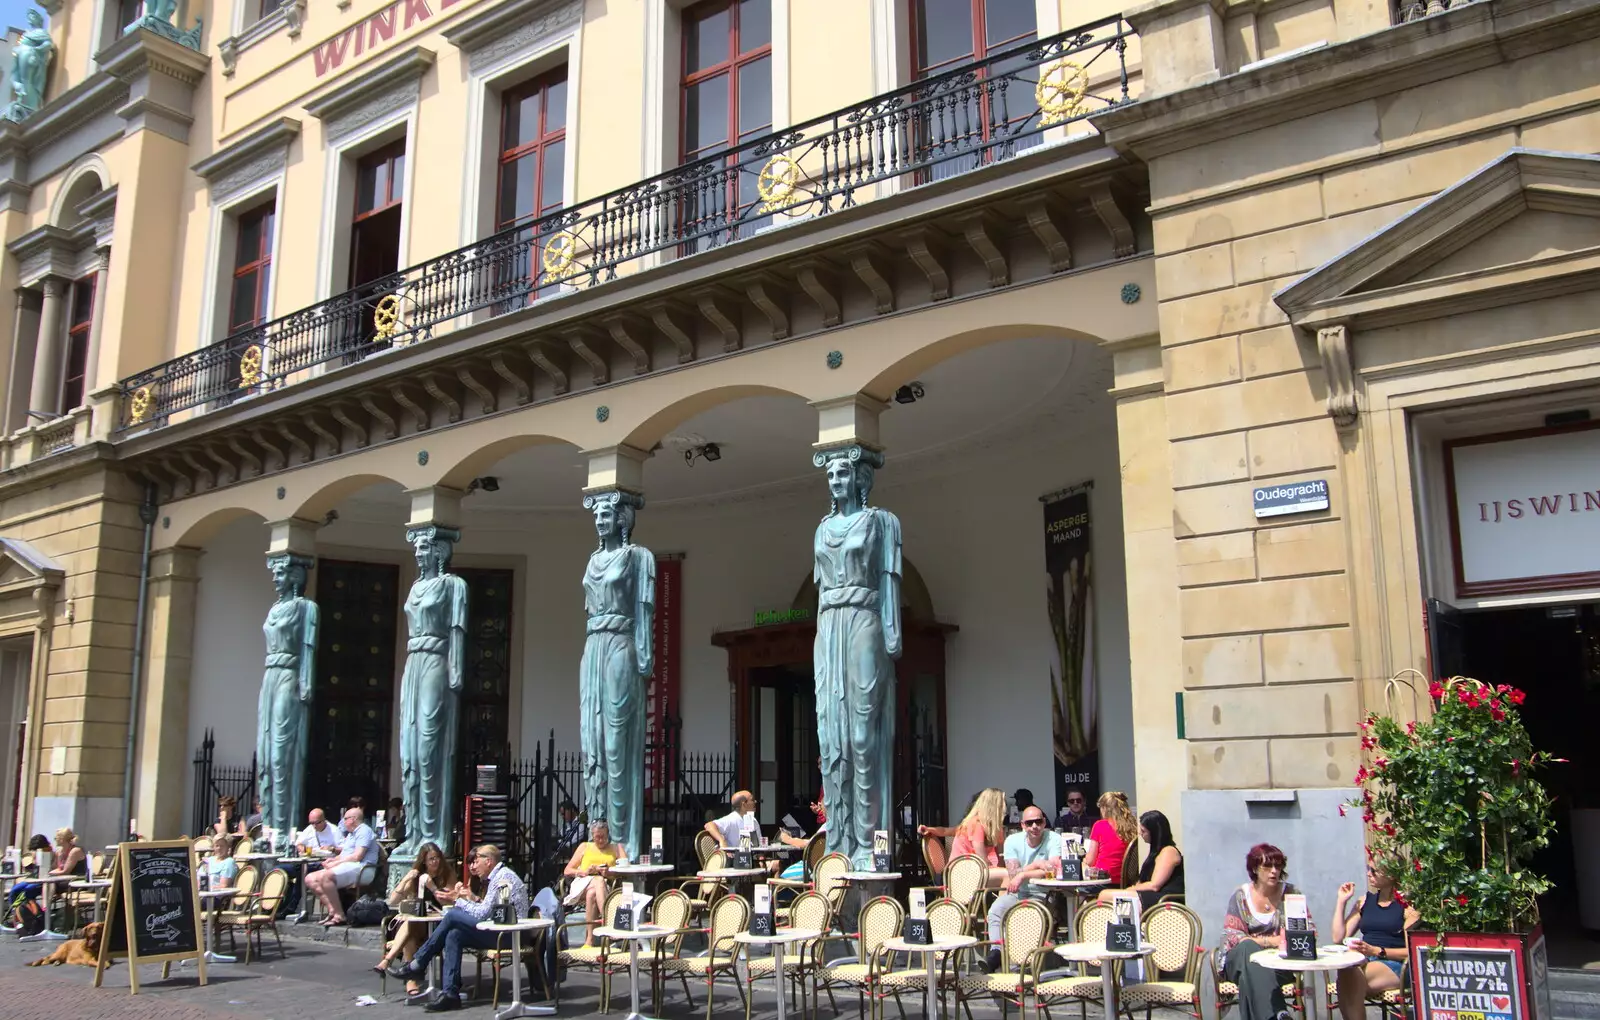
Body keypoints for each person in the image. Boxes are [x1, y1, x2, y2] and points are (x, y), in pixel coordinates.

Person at [394, 844, 529, 1013]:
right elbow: (488, 910)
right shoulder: (497, 876)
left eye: (476, 861)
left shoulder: (502, 877)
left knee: (452, 915)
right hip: (499, 929)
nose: (473, 866)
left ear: (488, 861)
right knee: (454, 934)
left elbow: (482, 914)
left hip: (509, 934)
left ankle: (419, 963)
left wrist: (457, 900)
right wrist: (467, 899)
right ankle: (450, 994)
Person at [1220, 843, 1299, 1020]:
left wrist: (1259, 940)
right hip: (1239, 961)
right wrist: (1272, 941)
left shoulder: (1291, 895)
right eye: (1267, 866)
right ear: (1255, 868)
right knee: (1248, 949)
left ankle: (1276, 1016)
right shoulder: (1241, 896)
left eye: (1278, 866)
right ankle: (1278, 1013)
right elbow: (1234, 937)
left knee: (1250, 980)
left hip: (1278, 965)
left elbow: (1304, 934)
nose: (1274, 871)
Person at [982, 804, 1062, 972]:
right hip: (1019, 893)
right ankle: (996, 952)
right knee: (996, 910)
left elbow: (1053, 870)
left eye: (1038, 822)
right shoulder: (1012, 841)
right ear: (1023, 825)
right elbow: (1012, 874)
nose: (1035, 826)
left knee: (1025, 914)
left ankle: (1025, 962)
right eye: (1030, 823)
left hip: (1044, 894)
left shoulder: (1053, 838)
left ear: (1044, 822)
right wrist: (1036, 865)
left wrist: (1023, 874)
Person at [1332, 864, 1417, 1020]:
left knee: (1349, 978)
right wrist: (1341, 902)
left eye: (1374, 870)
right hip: (1364, 959)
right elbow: (1338, 938)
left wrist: (1376, 951)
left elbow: (1412, 951)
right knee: (1346, 972)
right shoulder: (1364, 901)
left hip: (1394, 962)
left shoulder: (1407, 907)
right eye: (1367, 868)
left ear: (1391, 875)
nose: (1368, 874)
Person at [375, 841, 459, 996]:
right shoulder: (417, 877)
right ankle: (410, 979)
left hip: (440, 925)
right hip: (419, 925)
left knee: (409, 926)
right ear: (424, 862)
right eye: (431, 859)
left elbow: (451, 901)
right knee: (410, 929)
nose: (435, 862)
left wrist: (432, 887)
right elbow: (393, 901)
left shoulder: (447, 874)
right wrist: (406, 879)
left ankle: (389, 960)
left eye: (437, 857)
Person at [302, 806, 380, 925]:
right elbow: (344, 854)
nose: (343, 822)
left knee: (326, 877)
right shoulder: (351, 834)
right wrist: (331, 860)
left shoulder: (364, 831)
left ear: (353, 819)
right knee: (309, 879)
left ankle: (339, 915)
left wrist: (336, 863)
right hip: (350, 866)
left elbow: (357, 856)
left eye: (345, 819)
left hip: (363, 868)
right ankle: (333, 910)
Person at [918, 787, 1009, 888]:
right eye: (1003, 803)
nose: (1005, 807)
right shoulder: (976, 824)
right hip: (960, 873)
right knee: (1007, 876)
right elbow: (983, 860)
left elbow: (1001, 856)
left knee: (1010, 874)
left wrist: (1003, 865)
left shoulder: (995, 827)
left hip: (975, 870)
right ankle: (1001, 904)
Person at [1098, 810, 1184, 909]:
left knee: (1105, 895)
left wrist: (1131, 889)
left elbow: (1154, 885)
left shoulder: (1168, 852)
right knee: (1106, 895)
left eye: (1143, 831)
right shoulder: (1155, 853)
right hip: (1152, 896)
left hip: (1164, 899)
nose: (1140, 833)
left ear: (1155, 833)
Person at [563, 821, 625, 947]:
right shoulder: (585, 846)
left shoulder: (615, 848)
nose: (601, 840)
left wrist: (609, 872)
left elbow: (625, 869)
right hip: (582, 884)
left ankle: (589, 940)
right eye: (597, 837)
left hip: (604, 886)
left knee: (592, 893)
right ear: (592, 835)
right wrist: (585, 872)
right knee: (598, 880)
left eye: (603, 837)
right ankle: (609, 921)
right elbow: (567, 870)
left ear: (608, 835)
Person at [7, 828, 87, 914]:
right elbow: (56, 868)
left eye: (55, 838)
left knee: (28, 891)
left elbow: (65, 871)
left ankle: (39, 915)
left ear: (62, 839)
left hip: (73, 882)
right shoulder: (59, 852)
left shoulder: (75, 851)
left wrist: (48, 873)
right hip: (57, 880)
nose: (54, 840)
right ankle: (15, 915)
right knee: (16, 889)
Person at [1084, 790, 1136, 884]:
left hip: (1103, 880)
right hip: (1126, 882)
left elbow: (1090, 861)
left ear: (1105, 808)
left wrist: (1084, 859)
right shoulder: (1133, 826)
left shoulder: (1100, 825)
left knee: (1079, 891)